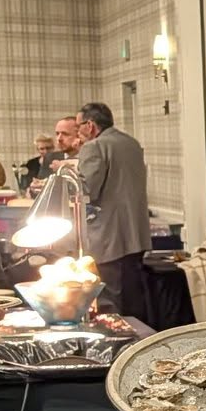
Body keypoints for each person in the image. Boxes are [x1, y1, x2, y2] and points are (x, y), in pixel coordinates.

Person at [72, 101, 151, 324]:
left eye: (79, 126)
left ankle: (117, 348)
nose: (78, 132)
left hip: (109, 235)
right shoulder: (131, 143)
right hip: (136, 232)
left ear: (90, 125)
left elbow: (87, 190)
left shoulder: (94, 147)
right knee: (134, 298)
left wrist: (68, 173)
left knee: (111, 299)